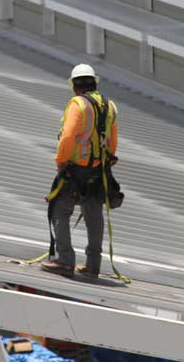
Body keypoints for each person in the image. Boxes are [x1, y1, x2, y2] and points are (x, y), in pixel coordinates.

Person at [41, 63, 118, 278]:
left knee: (60, 210)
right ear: (94, 82)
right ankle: (93, 264)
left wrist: (61, 161)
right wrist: (105, 161)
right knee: (94, 214)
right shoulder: (109, 106)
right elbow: (113, 141)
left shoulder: (78, 105)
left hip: (75, 169)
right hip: (98, 170)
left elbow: (67, 137)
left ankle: (65, 260)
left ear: (74, 85)